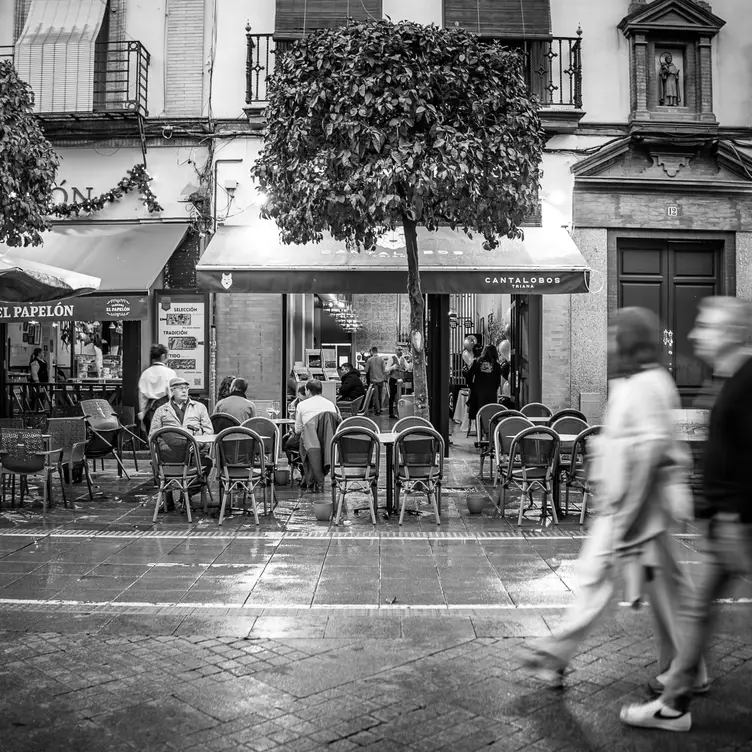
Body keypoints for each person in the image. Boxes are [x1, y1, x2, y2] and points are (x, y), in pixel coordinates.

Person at [517, 307, 707, 693]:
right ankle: (686, 669)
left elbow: (651, 452)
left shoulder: (648, 385)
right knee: (647, 588)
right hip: (630, 509)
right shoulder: (641, 382)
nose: (609, 343)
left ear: (630, 341)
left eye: (615, 335)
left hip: (636, 510)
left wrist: (627, 515)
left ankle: (685, 670)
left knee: (612, 583)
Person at [621, 297, 752, 733]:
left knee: (694, 608)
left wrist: (732, 514)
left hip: (736, 523)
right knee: (696, 610)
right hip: (722, 520)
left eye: (708, 326)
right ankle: (676, 698)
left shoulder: (746, 381)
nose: (695, 334)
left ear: (732, 333)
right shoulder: (731, 378)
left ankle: (677, 696)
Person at [138, 344, 177, 433]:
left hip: (149, 412)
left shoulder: (145, 374)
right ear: (163, 356)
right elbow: (173, 395)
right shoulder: (170, 373)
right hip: (166, 412)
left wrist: (142, 414)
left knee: (152, 438)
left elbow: (142, 398)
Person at [467, 344, 503, 421]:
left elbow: (469, 375)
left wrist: (472, 386)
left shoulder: (476, 362)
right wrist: (494, 388)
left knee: (479, 413)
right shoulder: (496, 365)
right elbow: (498, 381)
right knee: (491, 413)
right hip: (491, 392)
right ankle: (489, 429)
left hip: (478, 392)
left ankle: (480, 430)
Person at [364, 346, 387, 415]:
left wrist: (366, 365)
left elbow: (366, 370)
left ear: (371, 352)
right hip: (381, 380)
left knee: (375, 397)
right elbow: (384, 370)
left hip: (374, 381)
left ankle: (378, 411)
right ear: (377, 351)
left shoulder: (369, 360)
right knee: (380, 396)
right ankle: (380, 408)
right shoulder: (381, 360)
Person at [387, 346, 408, 418]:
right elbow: (386, 369)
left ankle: (401, 413)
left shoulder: (403, 359)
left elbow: (407, 367)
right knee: (392, 396)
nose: (401, 351)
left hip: (401, 380)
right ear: (396, 351)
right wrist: (392, 367)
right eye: (399, 350)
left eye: (401, 350)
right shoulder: (391, 358)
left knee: (400, 397)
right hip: (393, 379)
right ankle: (391, 413)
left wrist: (406, 368)